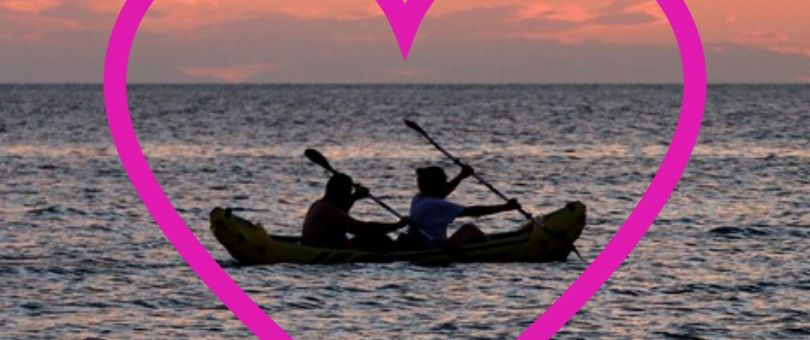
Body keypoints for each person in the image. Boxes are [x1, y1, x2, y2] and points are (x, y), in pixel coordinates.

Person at [406, 165, 521, 248]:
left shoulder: (418, 199)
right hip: (435, 247)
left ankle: (489, 243)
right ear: (437, 185)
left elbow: (443, 192)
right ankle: (495, 248)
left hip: (425, 243)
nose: (447, 183)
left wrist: (461, 176)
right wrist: (505, 207)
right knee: (469, 229)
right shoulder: (434, 205)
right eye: (445, 181)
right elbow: (473, 212)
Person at [302, 173, 408, 250]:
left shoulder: (319, 205)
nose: (349, 195)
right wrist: (396, 226)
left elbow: (342, 208)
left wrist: (356, 196)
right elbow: (363, 229)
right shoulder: (330, 212)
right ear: (340, 193)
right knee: (380, 239)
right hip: (330, 248)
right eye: (348, 192)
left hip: (318, 244)